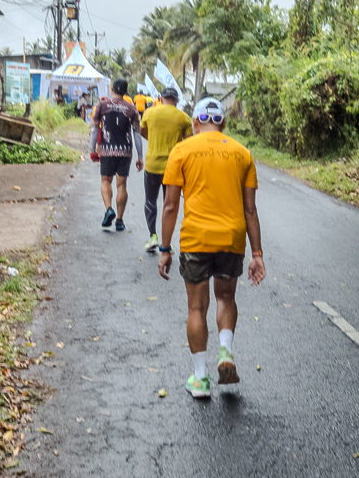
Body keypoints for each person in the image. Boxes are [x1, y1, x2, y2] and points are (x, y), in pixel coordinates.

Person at [159, 97, 265, 399]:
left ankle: (201, 378)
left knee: (196, 307)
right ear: (224, 124)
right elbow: (250, 210)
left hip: (195, 239)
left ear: (195, 122)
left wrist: (165, 248)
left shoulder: (182, 150)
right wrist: (257, 254)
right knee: (226, 297)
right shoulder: (242, 153)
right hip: (231, 239)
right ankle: (225, 352)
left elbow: (169, 206)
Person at [139, 87, 193, 252]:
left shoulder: (149, 113)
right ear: (177, 100)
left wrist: (155, 139)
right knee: (169, 205)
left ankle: (152, 236)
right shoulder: (183, 118)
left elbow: (143, 132)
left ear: (161, 98)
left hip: (152, 165)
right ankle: (165, 242)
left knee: (150, 200)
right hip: (173, 168)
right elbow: (189, 142)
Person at [90, 78, 143, 232]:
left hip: (107, 150)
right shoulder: (132, 109)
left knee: (106, 180)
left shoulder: (102, 105)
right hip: (125, 151)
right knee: (122, 185)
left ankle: (109, 209)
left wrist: (93, 149)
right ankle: (119, 220)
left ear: (112, 88)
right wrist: (140, 156)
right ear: (126, 91)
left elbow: (95, 130)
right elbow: (137, 134)